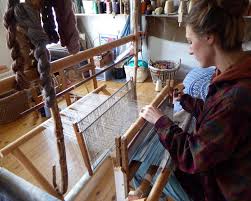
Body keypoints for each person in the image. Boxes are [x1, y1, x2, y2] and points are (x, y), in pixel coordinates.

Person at [140, 0, 251, 201]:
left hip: (224, 190)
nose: (189, 50)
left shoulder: (238, 95)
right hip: (220, 170)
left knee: (142, 167)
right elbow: (218, 119)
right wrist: (186, 101)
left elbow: (193, 156)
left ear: (209, 37)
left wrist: (160, 122)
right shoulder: (232, 72)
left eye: (190, 41)